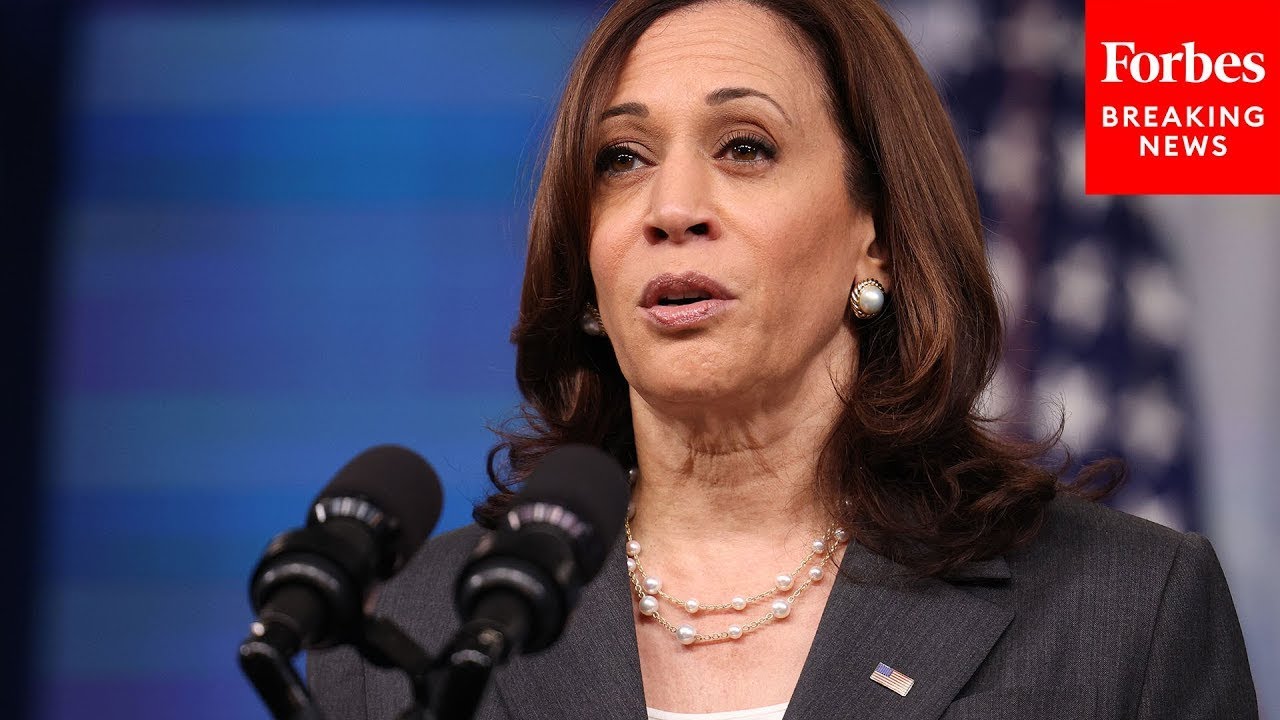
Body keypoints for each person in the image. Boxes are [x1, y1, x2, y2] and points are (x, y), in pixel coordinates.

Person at [309, 0, 1258, 718]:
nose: (671, 208)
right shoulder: (411, 631)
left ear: (875, 237)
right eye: (622, 159)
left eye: (745, 147)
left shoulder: (1125, 612)